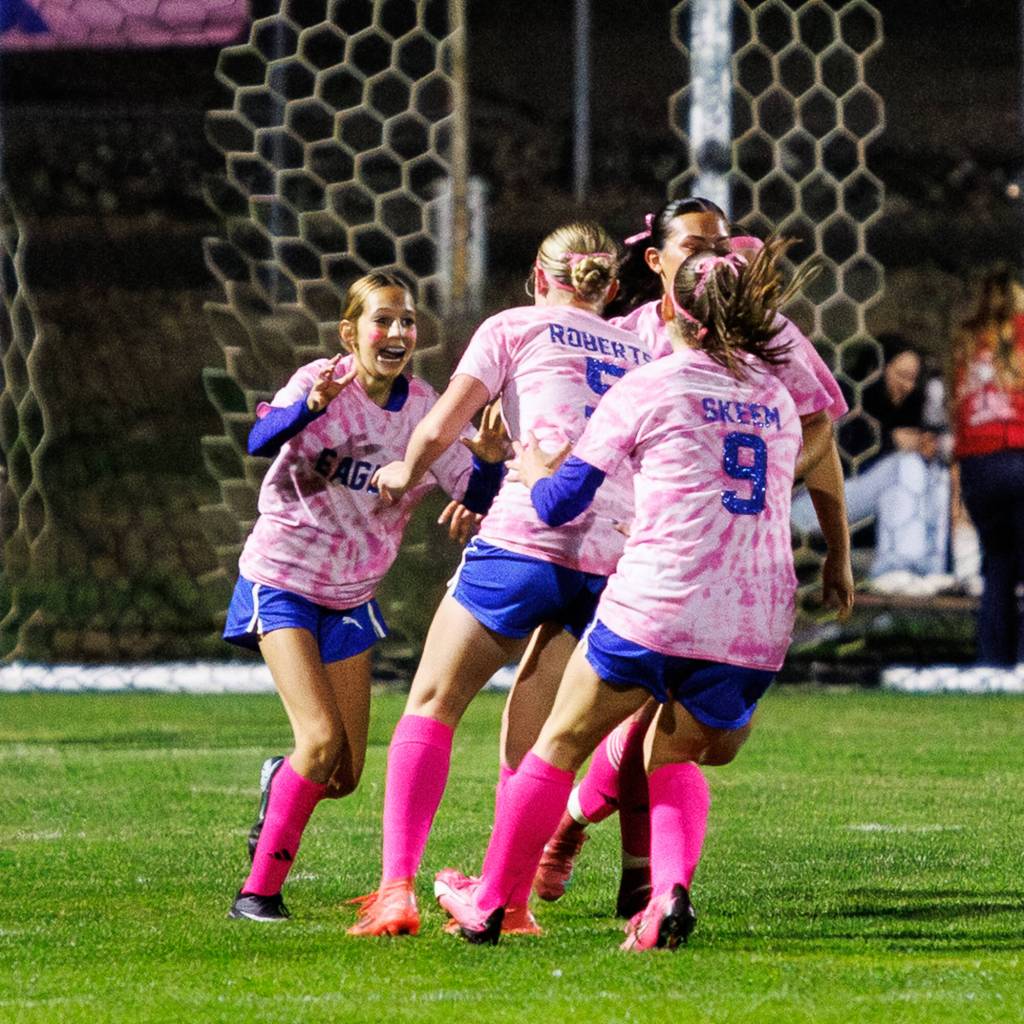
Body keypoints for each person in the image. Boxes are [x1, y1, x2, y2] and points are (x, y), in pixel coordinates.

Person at [435, 239, 837, 950]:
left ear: (671, 313)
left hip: (659, 601)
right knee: (674, 753)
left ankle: (491, 902)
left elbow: (559, 503)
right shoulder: (775, 397)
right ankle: (666, 898)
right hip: (756, 620)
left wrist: (523, 458)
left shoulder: (651, 383)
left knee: (558, 742)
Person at [533, 199, 854, 918]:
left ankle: (568, 834)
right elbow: (570, 436)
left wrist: (836, 549)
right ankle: (635, 880)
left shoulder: (768, 340)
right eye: (695, 244)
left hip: (721, 577)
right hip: (633, 559)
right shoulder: (622, 340)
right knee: (622, 725)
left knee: (679, 738)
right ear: (656, 259)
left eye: (722, 244)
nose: (715, 257)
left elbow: (818, 431)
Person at [345, 222, 654, 938]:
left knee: (433, 702)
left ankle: (396, 890)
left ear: (537, 278)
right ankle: (506, 901)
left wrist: (404, 471)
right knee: (543, 742)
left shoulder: (515, 324)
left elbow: (444, 422)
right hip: (610, 556)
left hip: (526, 538)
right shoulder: (641, 351)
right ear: (608, 289)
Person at [222, 272, 506, 922]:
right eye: (383, 321)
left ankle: (281, 782)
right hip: (284, 578)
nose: (398, 333)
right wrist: (308, 409)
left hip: (351, 596)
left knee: (342, 774)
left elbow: (475, 496)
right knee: (319, 743)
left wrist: (487, 464)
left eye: (407, 321)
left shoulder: (426, 412)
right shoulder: (319, 381)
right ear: (350, 332)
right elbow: (257, 441)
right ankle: (257, 895)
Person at [791, 333, 951, 590]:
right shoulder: (843, 396)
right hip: (810, 506)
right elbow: (834, 451)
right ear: (875, 369)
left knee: (937, 474)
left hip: (859, 514)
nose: (908, 386)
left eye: (913, 379)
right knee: (904, 465)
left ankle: (930, 570)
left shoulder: (909, 406)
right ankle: (895, 567)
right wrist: (890, 442)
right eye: (901, 375)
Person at [951, 267, 1024, 664]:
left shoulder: (966, 339)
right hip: (1017, 456)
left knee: (998, 564)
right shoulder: (1022, 332)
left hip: (978, 469)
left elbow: (957, 409)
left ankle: (992, 664)